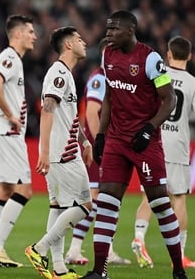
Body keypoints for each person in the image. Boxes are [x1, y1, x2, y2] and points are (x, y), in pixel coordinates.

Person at [81, 10, 187, 279]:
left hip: (144, 141)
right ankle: (99, 270)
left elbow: (170, 99)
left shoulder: (150, 59)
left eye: (113, 29)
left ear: (130, 31)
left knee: (161, 203)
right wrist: (101, 135)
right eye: (107, 29)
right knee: (106, 202)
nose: (108, 34)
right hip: (116, 139)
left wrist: (150, 129)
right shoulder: (108, 55)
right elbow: (108, 98)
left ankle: (178, 270)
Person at [130, 36, 195, 269]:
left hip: (153, 142)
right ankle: (179, 257)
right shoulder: (194, 84)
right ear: (190, 57)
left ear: (168, 55)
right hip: (178, 148)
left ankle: (138, 238)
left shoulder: (157, 76)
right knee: (179, 198)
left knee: (149, 197)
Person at [23, 26, 93, 279]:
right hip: (62, 153)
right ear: (68, 45)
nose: (84, 42)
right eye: (79, 38)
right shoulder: (58, 73)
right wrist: (44, 150)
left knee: (58, 207)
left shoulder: (66, 74)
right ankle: (38, 248)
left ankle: (60, 269)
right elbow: (48, 109)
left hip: (63, 149)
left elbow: (69, 115)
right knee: (85, 205)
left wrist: (84, 141)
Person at [65, 38, 131, 266]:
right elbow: (91, 113)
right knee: (95, 200)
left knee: (106, 200)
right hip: (99, 147)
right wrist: (99, 144)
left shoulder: (114, 79)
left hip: (111, 145)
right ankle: (73, 248)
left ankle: (102, 249)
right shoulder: (100, 79)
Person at [0, 14, 37, 268]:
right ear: (17, 34)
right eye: (30, 31)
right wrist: (11, 116)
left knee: (3, 190)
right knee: (25, 189)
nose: (34, 36)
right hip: (6, 132)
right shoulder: (10, 57)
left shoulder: (12, 58)